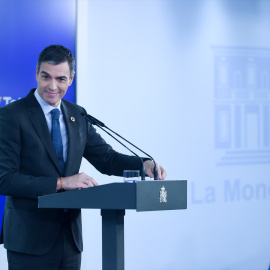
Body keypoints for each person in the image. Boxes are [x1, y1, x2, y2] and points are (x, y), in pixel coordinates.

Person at [0, 45, 166, 270]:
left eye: (61, 79)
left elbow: (106, 158)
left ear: (71, 79)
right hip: (29, 240)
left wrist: (143, 164)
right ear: (36, 72)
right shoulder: (11, 115)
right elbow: (5, 178)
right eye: (45, 76)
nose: (52, 86)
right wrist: (61, 183)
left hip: (70, 241)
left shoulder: (77, 115)